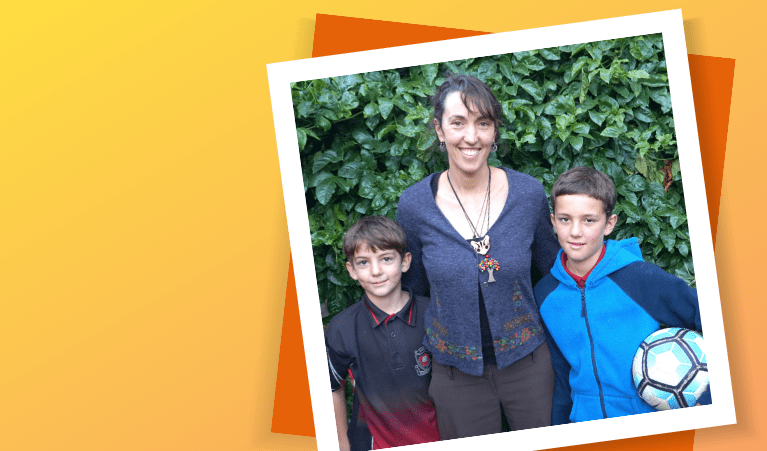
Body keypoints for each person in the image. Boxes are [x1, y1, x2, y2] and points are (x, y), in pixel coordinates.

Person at [396, 74, 560, 439]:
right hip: (455, 377)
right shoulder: (414, 205)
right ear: (439, 130)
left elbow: (554, 272)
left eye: (483, 124)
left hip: (529, 366)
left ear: (494, 132)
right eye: (458, 123)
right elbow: (412, 290)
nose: (471, 137)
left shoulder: (528, 194)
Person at [533, 166, 711, 424]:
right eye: (565, 219)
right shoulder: (546, 293)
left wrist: (708, 400)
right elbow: (561, 373)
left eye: (589, 220)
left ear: (609, 224)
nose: (575, 231)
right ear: (553, 222)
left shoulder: (641, 279)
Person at [325, 216, 440, 451]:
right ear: (352, 270)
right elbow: (332, 387)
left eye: (386, 259)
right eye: (364, 262)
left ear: (405, 262)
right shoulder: (342, 327)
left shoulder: (434, 313)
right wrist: (341, 444)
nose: (376, 271)